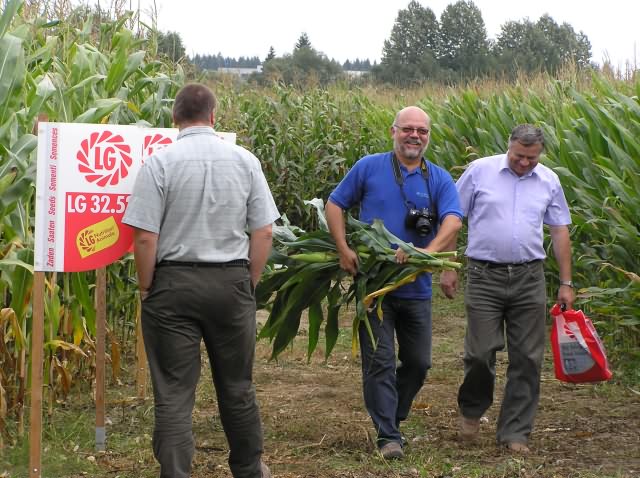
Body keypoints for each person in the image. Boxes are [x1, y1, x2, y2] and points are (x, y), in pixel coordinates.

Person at [122, 83, 280, 478]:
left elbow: (145, 238)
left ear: (174, 117)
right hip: (230, 284)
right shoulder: (245, 161)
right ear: (213, 116)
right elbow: (264, 232)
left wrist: (147, 287)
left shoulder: (159, 164)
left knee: (174, 392)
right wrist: (248, 282)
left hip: (172, 286)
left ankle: (176, 473)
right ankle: (248, 469)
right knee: (237, 386)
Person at [326, 106, 462, 459]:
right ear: (393, 131)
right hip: (374, 288)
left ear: (428, 136)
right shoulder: (369, 167)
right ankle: (388, 436)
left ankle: (393, 417)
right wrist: (342, 248)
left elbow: (453, 220)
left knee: (419, 363)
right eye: (407, 129)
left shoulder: (438, 178)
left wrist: (426, 253)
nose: (415, 136)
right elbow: (335, 204)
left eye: (422, 131)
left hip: (416, 288)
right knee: (380, 361)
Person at [451, 124, 575, 453]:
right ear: (509, 146)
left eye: (531, 158)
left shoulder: (549, 180)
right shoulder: (480, 171)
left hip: (529, 277)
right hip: (483, 275)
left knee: (528, 358)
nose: (524, 163)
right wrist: (448, 266)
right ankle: (472, 411)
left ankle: (515, 432)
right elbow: (453, 217)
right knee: (480, 353)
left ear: (540, 154)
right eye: (519, 156)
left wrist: (566, 282)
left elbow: (559, 230)